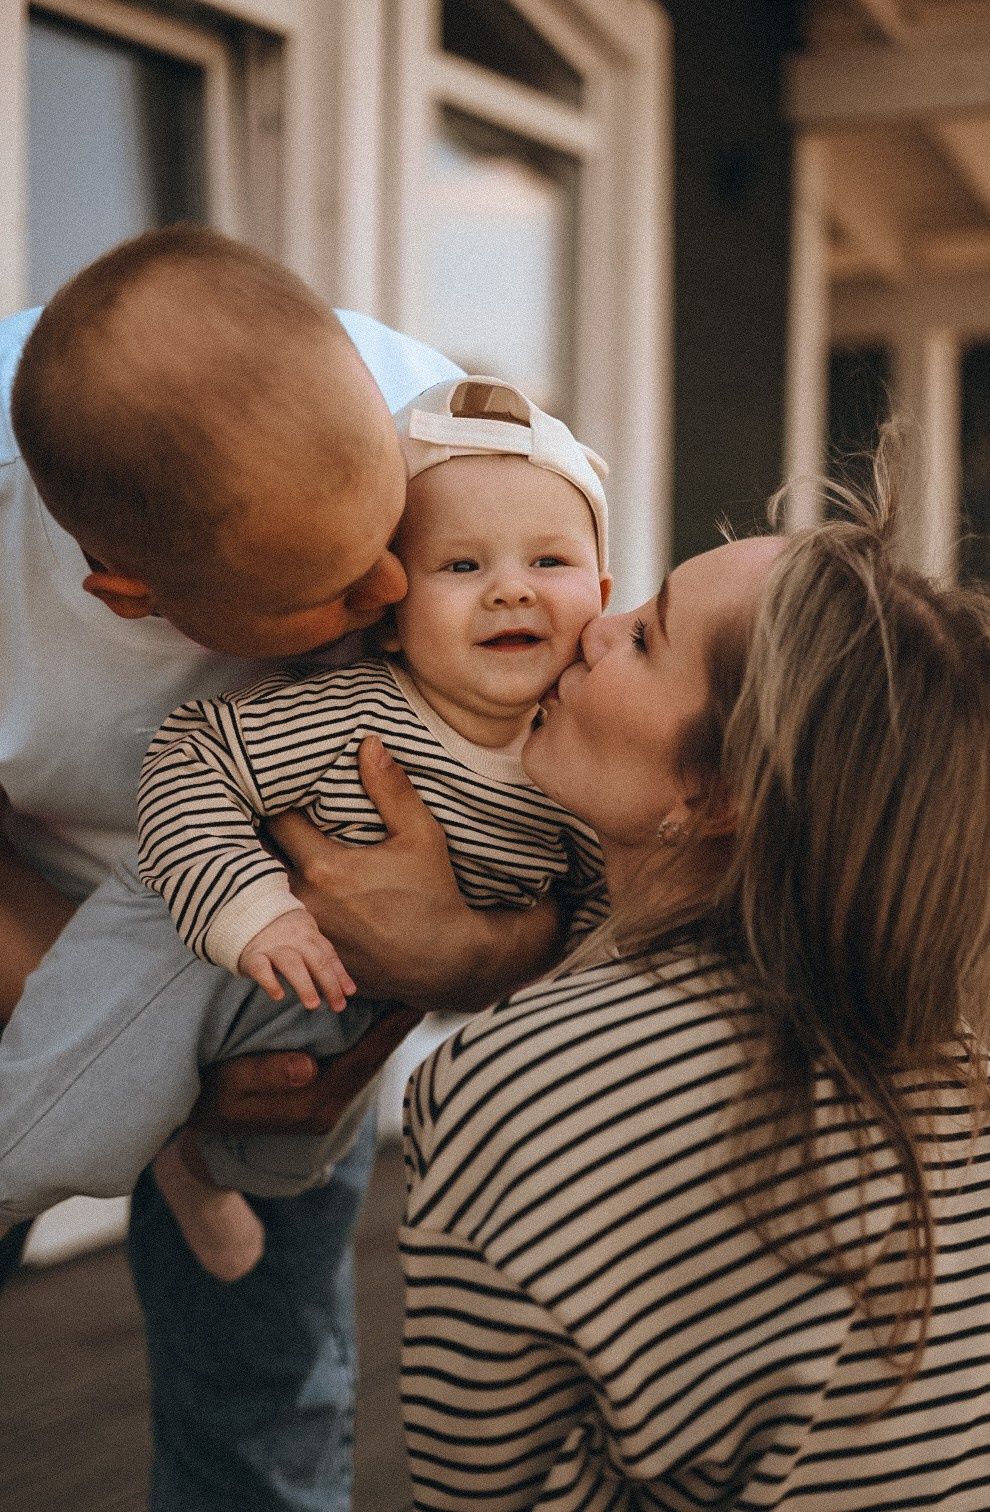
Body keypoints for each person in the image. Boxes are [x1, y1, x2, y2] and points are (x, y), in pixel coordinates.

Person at [397, 446, 990, 1512]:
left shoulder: (515, 1096)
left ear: (717, 795)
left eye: (649, 636)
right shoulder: (956, 1074)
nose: (595, 625)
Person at [0, 225, 568, 1512]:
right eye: (326, 586)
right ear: (125, 592)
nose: (392, 597)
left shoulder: (438, 428)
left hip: (313, 960)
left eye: (394, 540)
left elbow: (584, 761)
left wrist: (452, 963)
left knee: (265, 1404)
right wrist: (95, 1031)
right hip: (31, 912)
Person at [0, 374, 611, 1285]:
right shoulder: (356, 713)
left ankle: (195, 1169)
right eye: (463, 567)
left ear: (604, 590)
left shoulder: (589, 753)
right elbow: (194, 756)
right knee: (57, 1115)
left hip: (346, 1001)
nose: (510, 592)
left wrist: (515, 966)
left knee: (287, 1159)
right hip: (198, 931)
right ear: (393, 619)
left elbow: (609, 905)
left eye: (550, 565)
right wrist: (246, 909)